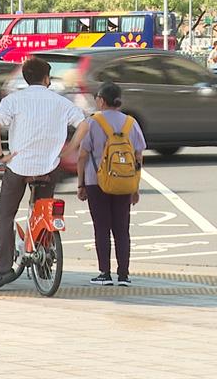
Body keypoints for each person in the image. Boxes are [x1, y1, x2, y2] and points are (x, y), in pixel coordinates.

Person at [0, 57, 89, 292]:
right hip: (49, 167)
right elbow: (83, 124)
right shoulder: (59, 102)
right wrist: (70, 149)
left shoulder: (14, 100)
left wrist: (0, 154)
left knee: (6, 215)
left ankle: (4, 271)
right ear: (45, 79)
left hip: (18, 166)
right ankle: (43, 265)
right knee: (42, 211)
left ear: (26, 77)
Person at [77, 82, 145, 287]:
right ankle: (123, 275)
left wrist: (81, 184)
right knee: (122, 228)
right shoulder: (131, 123)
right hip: (124, 181)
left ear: (101, 100)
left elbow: (82, 155)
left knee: (102, 227)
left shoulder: (92, 122)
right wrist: (135, 186)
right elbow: (138, 156)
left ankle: (104, 273)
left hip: (96, 182)